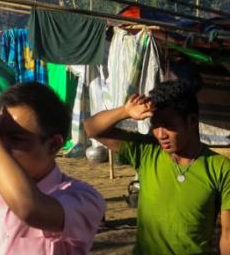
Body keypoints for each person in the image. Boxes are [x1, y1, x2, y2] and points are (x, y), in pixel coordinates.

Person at [0, 82, 105, 254]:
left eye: (16, 139)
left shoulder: (83, 198)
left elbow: (29, 208)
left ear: (53, 145)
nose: (1, 147)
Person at [84, 80, 230, 254]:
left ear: (191, 121)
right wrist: (125, 111)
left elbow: (227, 235)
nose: (160, 134)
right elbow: (92, 129)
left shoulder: (220, 168)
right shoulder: (146, 151)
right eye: (155, 125)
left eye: (168, 125)